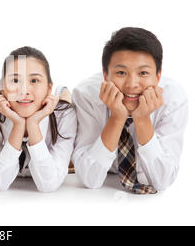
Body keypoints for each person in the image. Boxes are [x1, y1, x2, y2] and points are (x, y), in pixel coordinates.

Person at [72, 27, 188, 194]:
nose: (132, 84)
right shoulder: (86, 95)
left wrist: (142, 120)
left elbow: (163, 181)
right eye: (121, 72)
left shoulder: (174, 99)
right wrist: (117, 118)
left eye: (143, 73)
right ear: (105, 75)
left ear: (158, 76)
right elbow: (90, 179)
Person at [0, 46, 77, 192]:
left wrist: (33, 124)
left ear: (49, 88)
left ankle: (61, 91)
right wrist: (18, 125)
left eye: (35, 80)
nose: (24, 90)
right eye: (15, 80)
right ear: (4, 87)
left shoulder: (64, 113)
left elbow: (48, 185)